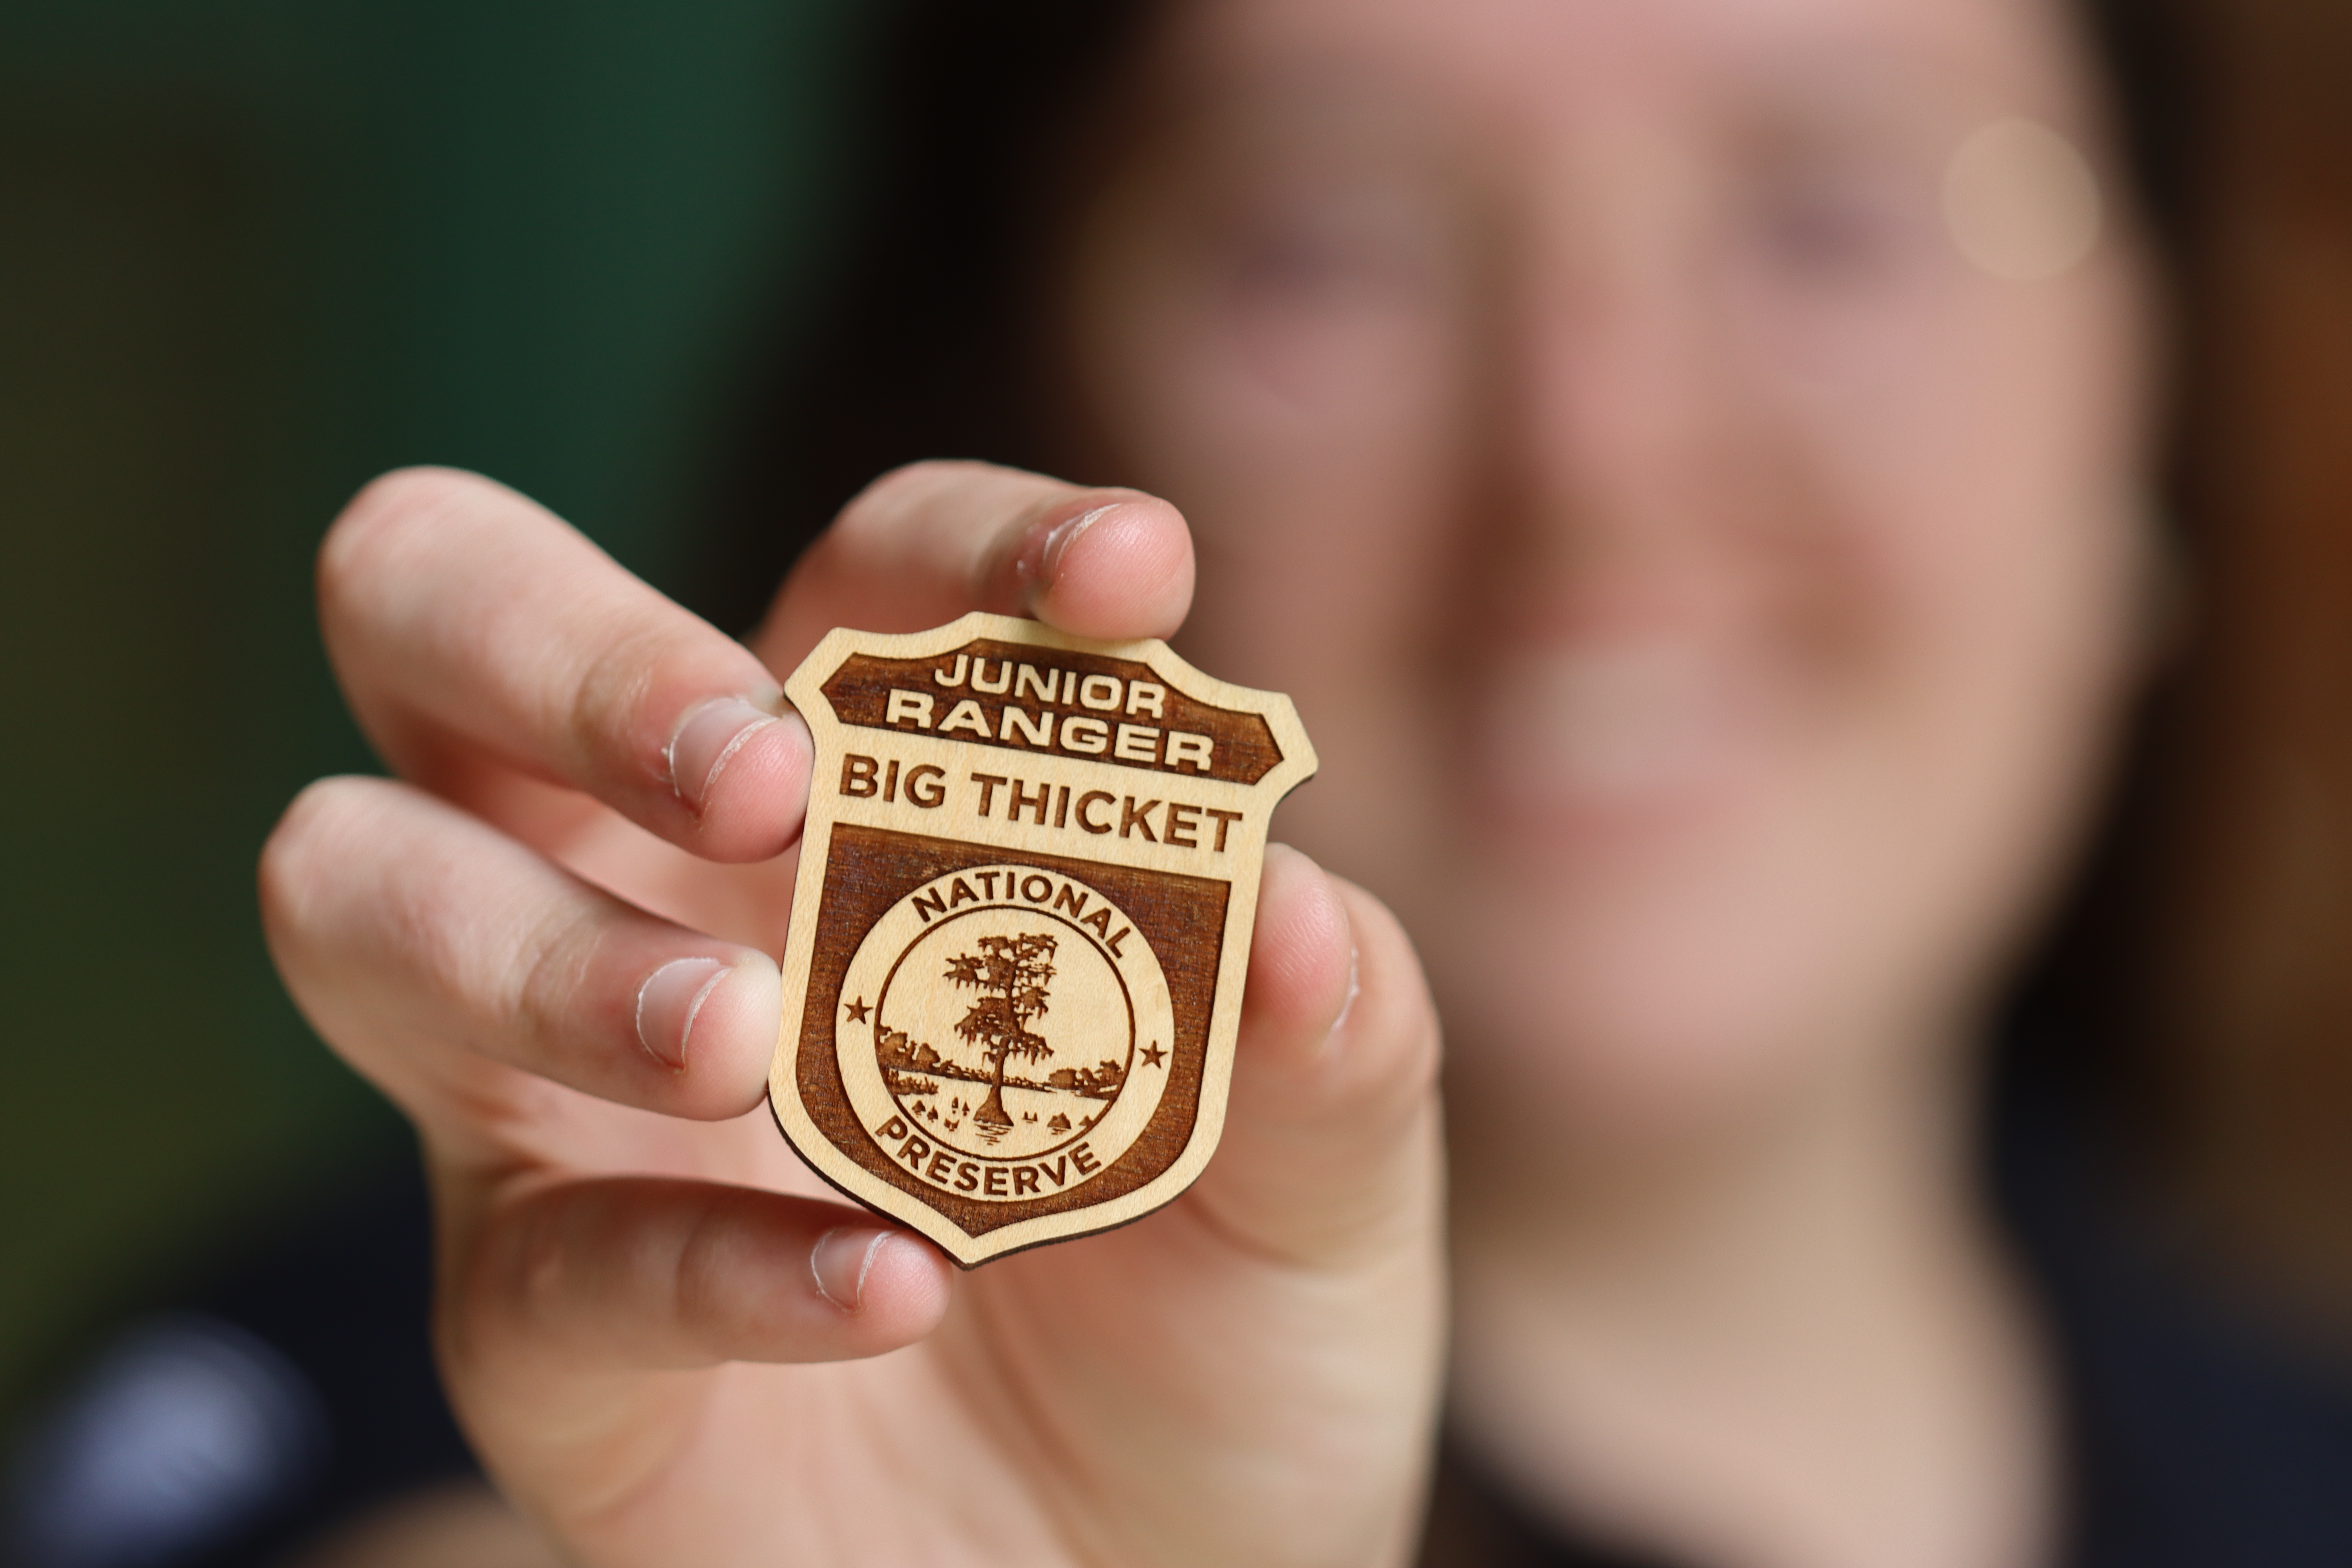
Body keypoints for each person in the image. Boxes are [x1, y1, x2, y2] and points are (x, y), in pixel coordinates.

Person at [64, 0, 2342, 1564]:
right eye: (1323, 245)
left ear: (2152, 418)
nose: (1595, 454)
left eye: (1827, 214)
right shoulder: (593, 1364)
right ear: (1028, 373)